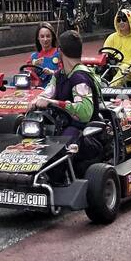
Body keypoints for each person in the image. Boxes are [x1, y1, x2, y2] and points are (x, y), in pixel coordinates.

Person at [31, 30, 104, 171]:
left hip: (84, 132)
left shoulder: (80, 77)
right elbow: (47, 93)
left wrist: (54, 103)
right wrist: (36, 101)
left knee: (61, 145)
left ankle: (52, 176)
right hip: (61, 125)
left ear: (60, 52)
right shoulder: (59, 75)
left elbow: (85, 112)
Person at [101, 7, 131, 86]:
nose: (121, 22)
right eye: (118, 20)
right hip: (112, 66)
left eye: (124, 20)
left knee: (124, 68)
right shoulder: (112, 37)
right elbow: (104, 53)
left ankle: (111, 88)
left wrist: (124, 65)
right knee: (95, 68)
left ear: (130, 22)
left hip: (130, 69)